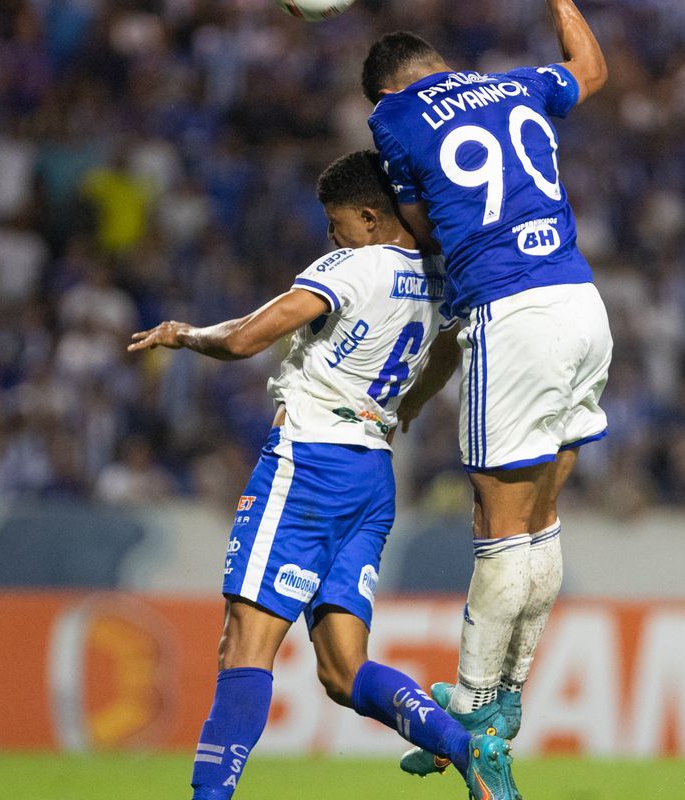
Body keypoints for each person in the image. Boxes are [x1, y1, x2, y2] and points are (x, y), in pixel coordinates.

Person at [128, 151, 517, 800]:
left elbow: (250, 338)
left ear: (369, 218)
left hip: (307, 463)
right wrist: (411, 405)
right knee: (342, 670)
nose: (331, 238)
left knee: (243, 648)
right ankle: (467, 747)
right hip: (371, 475)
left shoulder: (352, 265)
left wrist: (189, 338)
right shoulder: (435, 280)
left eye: (336, 224)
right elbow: (449, 345)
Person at [359, 1, 611, 775]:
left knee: (497, 522)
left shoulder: (395, 116)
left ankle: (470, 717)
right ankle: (506, 695)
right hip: (583, 304)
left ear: (384, 90)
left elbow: (420, 223)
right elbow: (594, 71)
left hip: (513, 311)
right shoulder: (515, 84)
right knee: (539, 520)